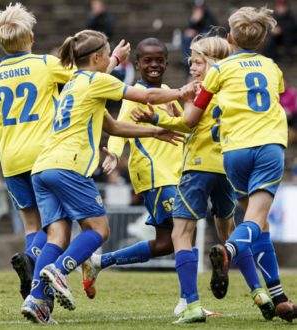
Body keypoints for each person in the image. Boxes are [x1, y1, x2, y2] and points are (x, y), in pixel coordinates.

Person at [20, 29, 186, 324]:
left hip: (42, 168)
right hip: (69, 166)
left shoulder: (73, 82)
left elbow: (114, 127)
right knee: (99, 230)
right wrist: (182, 92)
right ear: (97, 57)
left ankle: (36, 300)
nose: (112, 59)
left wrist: (156, 131)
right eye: (108, 55)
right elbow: (146, 94)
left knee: (56, 236)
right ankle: (60, 270)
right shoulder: (96, 81)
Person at [0, 3, 129, 301]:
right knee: (58, 227)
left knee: (32, 223)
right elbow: (87, 77)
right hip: (46, 155)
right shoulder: (45, 63)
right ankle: (33, 263)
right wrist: (115, 58)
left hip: (12, 159)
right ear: (31, 38)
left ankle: (33, 270)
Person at [132, 33, 274, 324]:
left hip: (197, 168)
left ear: (212, 63)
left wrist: (156, 119)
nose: (193, 68)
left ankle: (192, 305)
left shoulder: (204, 89)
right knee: (228, 233)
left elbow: (188, 124)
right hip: (226, 170)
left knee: (180, 234)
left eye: (197, 62)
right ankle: (259, 292)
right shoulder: (234, 90)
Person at [181, 6, 297, 322]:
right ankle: (229, 251)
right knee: (256, 219)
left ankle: (278, 296)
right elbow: (277, 96)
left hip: (233, 152)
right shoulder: (272, 68)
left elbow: (192, 117)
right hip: (268, 147)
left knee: (258, 224)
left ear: (230, 38)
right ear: (261, 41)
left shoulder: (218, 71)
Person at [81, 37, 191, 316]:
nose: (154, 65)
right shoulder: (134, 94)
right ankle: (188, 300)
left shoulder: (169, 92)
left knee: (166, 243)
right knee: (184, 233)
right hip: (154, 174)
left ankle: (99, 262)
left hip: (175, 174)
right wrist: (114, 155)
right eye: (147, 60)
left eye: (159, 60)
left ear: (166, 62)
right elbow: (119, 129)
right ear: (138, 64)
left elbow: (185, 127)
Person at [181, 0, 217, 76]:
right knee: (186, 37)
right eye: (197, 7)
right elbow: (189, 28)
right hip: (196, 38)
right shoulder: (194, 15)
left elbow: (212, 29)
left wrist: (197, 33)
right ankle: (187, 59)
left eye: (200, 7)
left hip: (206, 37)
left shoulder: (208, 15)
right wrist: (194, 21)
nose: (198, 9)